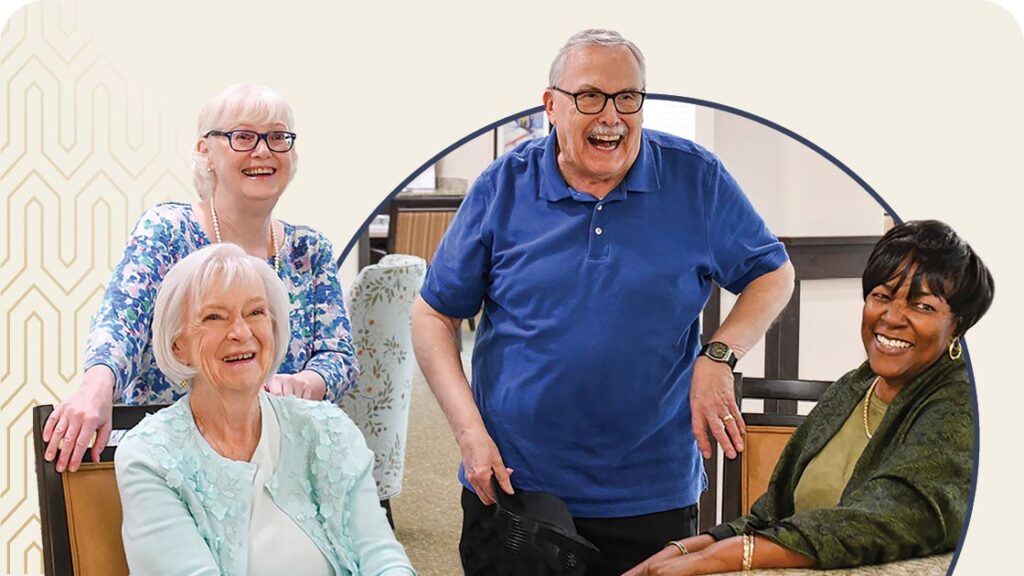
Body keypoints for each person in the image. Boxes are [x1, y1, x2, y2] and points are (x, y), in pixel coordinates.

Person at [412, 29, 794, 575]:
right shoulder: (502, 186)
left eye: (627, 98)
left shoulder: (696, 178)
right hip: (513, 484)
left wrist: (719, 355)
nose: (611, 116)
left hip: (650, 492)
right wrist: (468, 433)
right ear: (551, 106)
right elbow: (434, 312)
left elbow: (773, 273)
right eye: (589, 96)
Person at [626, 220, 994, 575]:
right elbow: (770, 517)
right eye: (881, 296)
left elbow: (889, 518)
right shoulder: (854, 387)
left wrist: (727, 556)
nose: (892, 317)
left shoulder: (963, 404)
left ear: (958, 324)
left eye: (922, 306)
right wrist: (689, 547)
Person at [42, 84, 359, 473]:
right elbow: (121, 322)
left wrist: (307, 382)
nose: (263, 151)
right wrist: (96, 386)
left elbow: (339, 355)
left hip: (276, 457)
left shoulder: (310, 249)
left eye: (277, 137)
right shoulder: (167, 230)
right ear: (205, 151)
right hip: (173, 458)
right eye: (243, 137)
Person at [115, 243, 414, 576]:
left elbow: (381, 555)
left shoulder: (327, 429)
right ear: (177, 345)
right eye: (214, 317)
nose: (241, 332)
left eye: (255, 312)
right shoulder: (150, 456)